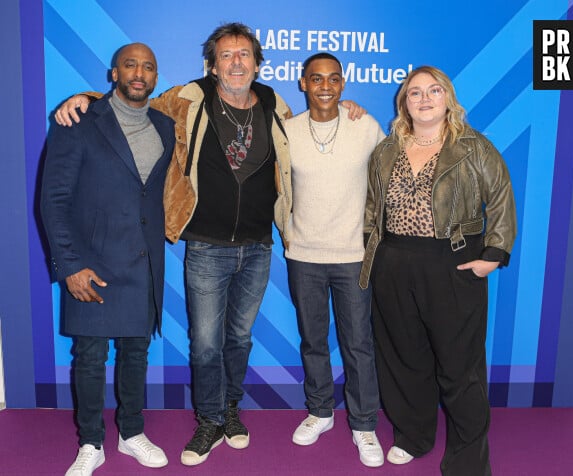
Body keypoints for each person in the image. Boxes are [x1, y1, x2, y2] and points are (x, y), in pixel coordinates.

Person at [55, 23, 365, 467]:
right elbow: (128, 100)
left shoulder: (276, 105)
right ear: (212, 63)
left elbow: (316, 132)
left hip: (258, 246)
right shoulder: (187, 98)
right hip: (205, 246)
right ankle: (208, 420)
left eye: (244, 54)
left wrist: (347, 107)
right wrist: (84, 97)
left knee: (238, 339)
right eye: (226, 55)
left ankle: (229, 412)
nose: (236, 62)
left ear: (258, 63)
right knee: (204, 343)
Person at [359, 65, 517, 475]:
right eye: (415, 93)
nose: (425, 99)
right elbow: (373, 210)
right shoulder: (386, 149)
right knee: (403, 358)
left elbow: (500, 197)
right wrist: (371, 253)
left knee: (459, 366)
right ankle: (414, 436)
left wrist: (494, 254)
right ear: (404, 103)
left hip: (453, 263)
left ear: (448, 98)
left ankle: (468, 456)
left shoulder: (473, 146)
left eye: (434, 90)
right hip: (394, 264)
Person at [41, 43, 175, 476]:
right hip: (92, 265)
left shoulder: (166, 126)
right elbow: (53, 199)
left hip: (143, 264)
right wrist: (69, 265)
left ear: (156, 77)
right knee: (90, 357)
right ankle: (91, 442)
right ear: (112, 73)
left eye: (148, 67)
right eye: (130, 65)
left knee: (137, 355)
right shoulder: (77, 121)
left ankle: (132, 432)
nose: (139, 73)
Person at [284, 53, 385, 468]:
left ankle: (364, 424)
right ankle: (320, 412)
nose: (325, 86)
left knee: (359, 344)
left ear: (343, 85)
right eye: (316, 78)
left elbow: (389, 177)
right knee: (313, 341)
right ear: (303, 83)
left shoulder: (365, 125)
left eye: (333, 79)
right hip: (303, 254)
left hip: (353, 257)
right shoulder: (286, 131)